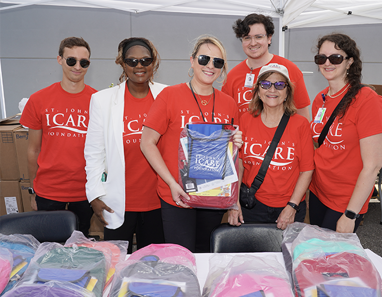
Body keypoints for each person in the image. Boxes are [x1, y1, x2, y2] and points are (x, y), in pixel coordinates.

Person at [141, 35, 241, 253]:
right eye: (204, 59)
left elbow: (234, 157)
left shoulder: (229, 103)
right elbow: (147, 142)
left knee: (206, 255)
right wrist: (171, 183)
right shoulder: (170, 95)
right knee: (181, 259)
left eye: (218, 62)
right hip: (178, 196)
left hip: (214, 197)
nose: (210, 66)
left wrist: (235, 199)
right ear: (192, 60)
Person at [84, 37, 167, 253]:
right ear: (122, 64)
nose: (139, 66)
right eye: (132, 61)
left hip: (158, 203)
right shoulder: (102, 100)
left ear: (154, 62)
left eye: (145, 60)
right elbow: (94, 153)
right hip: (117, 203)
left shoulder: (168, 96)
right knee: (115, 266)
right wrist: (94, 195)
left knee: (152, 267)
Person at [309, 33, 382, 233]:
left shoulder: (367, 100)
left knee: (333, 259)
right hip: (318, 191)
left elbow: (373, 165)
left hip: (345, 200)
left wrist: (351, 214)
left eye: (335, 58)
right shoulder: (321, 99)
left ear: (349, 62)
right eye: (321, 58)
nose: (327, 63)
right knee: (316, 253)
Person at [20, 37, 96, 237]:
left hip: (86, 191)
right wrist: (33, 190)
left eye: (84, 62)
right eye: (71, 60)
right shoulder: (39, 99)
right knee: (48, 248)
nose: (77, 66)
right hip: (48, 191)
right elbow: (33, 149)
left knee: (81, 246)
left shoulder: (98, 101)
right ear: (59, 60)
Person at [228, 63, 314, 230]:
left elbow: (306, 170)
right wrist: (234, 202)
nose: (272, 90)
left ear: (287, 92)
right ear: (258, 91)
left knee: (286, 255)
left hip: (289, 206)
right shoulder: (245, 120)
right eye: (266, 84)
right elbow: (239, 165)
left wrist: (292, 207)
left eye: (280, 84)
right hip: (252, 204)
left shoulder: (300, 124)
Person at [222, 13, 311, 120]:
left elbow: (303, 116)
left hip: (281, 136)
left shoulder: (289, 69)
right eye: (247, 38)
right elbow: (227, 117)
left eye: (258, 37)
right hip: (244, 136)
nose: (253, 43)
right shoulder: (232, 76)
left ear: (269, 38)